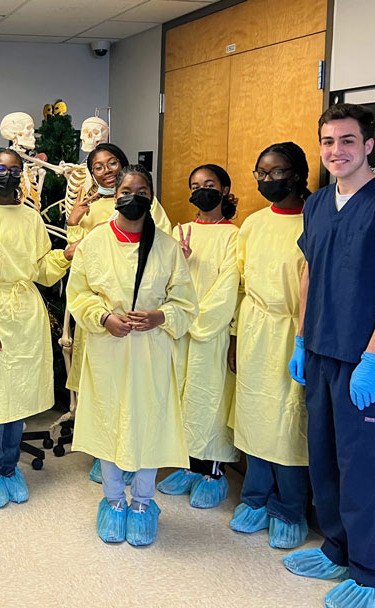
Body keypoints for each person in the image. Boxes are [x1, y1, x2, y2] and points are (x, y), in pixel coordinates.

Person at [284, 104, 375, 608]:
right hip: (323, 350)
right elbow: (310, 273)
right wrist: (303, 339)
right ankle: (338, 549)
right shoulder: (319, 203)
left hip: (368, 360)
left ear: (368, 145)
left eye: (347, 141)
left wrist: (372, 357)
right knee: (324, 459)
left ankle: (373, 576)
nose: (336, 151)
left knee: (365, 467)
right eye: (327, 141)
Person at [68, 164, 198, 546]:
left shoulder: (167, 247)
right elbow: (79, 295)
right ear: (115, 195)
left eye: (142, 190)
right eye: (126, 189)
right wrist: (103, 317)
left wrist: (161, 315)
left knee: (149, 423)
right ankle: (113, 501)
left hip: (151, 352)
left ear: (151, 197)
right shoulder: (94, 243)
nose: (133, 197)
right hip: (108, 349)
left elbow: (185, 302)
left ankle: (142, 502)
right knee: (109, 421)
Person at [0, 147, 76, 508]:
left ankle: (10, 467)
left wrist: (64, 256)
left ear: (20, 174)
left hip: (27, 314)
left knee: (20, 396)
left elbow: (40, 269)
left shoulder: (30, 217)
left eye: (13, 169)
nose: (6, 174)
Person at [65, 143, 172, 484]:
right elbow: (79, 274)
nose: (107, 170)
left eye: (113, 163)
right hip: (103, 327)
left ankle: (140, 484)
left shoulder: (160, 234)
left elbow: (172, 275)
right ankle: (107, 458)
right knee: (105, 397)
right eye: (99, 166)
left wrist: (159, 315)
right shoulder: (94, 219)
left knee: (143, 401)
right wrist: (103, 317)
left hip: (147, 334)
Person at [228, 142, 313, 550]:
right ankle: (255, 498)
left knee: (289, 421)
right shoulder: (253, 223)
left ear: (296, 174)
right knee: (255, 415)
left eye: (275, 172)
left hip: (294, 331)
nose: (265, 180)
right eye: (260, 173)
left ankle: (290, 507)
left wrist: (305, 340)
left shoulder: (315, 221)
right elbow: (238, 283)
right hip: (254, 327)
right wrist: (232, 335)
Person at [157, 164, 239, 509]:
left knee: (209, 399)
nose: (201, 190)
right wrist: (179, 261)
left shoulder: (234, 235)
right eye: (194, 185)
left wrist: (198, 320)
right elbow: (164, 279)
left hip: (210, 331)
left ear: (224, 190)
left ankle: (213, 472)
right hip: (180, 329)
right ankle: (189, 466)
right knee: (182, 397)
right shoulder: (181, 231)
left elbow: (229, 286)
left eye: (209, 184)